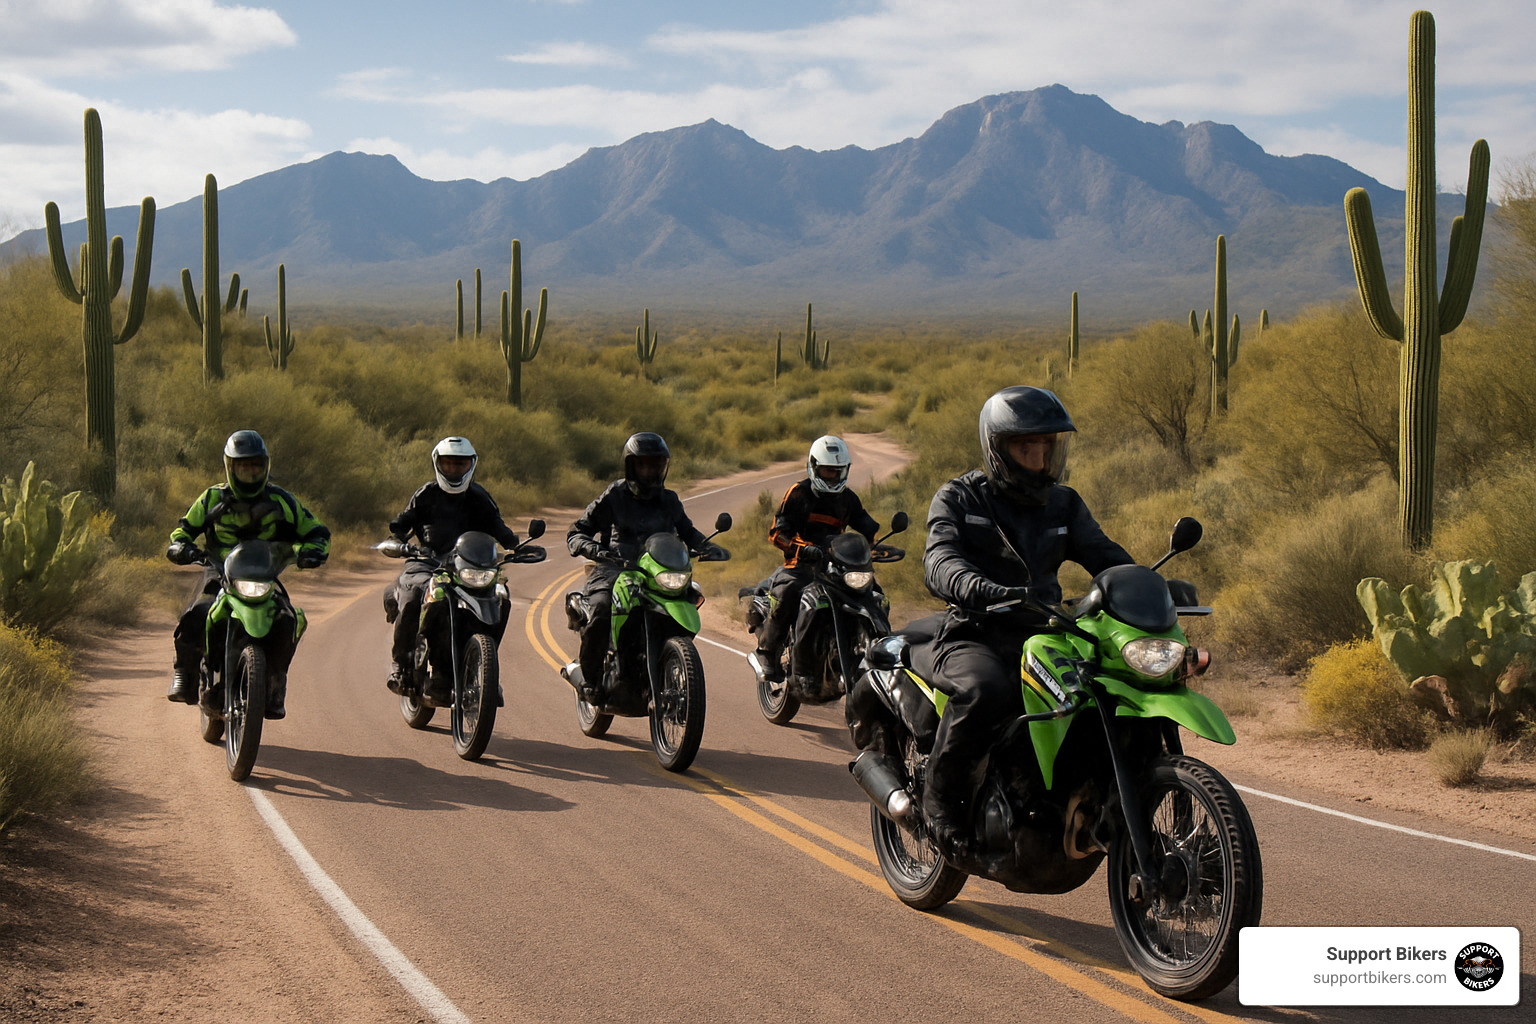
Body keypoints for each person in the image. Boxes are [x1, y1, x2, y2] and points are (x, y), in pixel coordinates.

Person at [918, 386, 1133, 856]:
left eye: (1045, 447)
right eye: (1025, 448)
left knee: (1107, 692)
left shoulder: (1064, 504)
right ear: (998, 449)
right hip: (977, 630)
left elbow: (1105, 555)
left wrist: (1146, 584)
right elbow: (939, 559)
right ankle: (939, 805)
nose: (1038, 459)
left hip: (1047, 631)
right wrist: (975, 586)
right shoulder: (959, 498)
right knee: (987, 692)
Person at [164, 429, 330, 719]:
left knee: (287, 619)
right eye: (244, 467)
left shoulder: (282, 500)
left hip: (264, 574)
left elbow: (316, 531)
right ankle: (185, 675)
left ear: (266, 466)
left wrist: (312, 551)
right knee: (197, 612)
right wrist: (182, 547)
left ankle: (275, 684)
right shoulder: (212, 497)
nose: (250, 473)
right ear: (231, 467)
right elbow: (183, 530)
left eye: (255, 466)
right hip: (219, 570)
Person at [565, 432, 722, 695]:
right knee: (601, 609)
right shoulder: (615, 494)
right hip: (615, 568)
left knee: (688, 598)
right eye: (644, 464)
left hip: (656, 571)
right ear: (631, 466)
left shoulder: (669, 500)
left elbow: (687, 531)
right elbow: (578, 531)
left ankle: (668, 662)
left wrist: (708, 546)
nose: (650, 470)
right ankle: (590, 681)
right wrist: (594, 549)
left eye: (655, 464)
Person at [384, 437, 521, 701]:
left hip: (468, 566)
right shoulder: (425, 494)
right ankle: (401, 666)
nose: (454, 470)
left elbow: (500, 529)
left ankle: (484, 667)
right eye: (448, 464)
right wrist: (397, 541)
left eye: (460, 465)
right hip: (427, 562)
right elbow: (400, 525)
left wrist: (518, 547)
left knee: (501, 598)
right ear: (438, 464)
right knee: (412, 597)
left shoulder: (480, 497)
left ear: (471, 465)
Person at [748, 435, 880, 688]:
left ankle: (880, 653)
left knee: (874, 595)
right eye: (828, 471)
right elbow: (777, 532)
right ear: (814, 467)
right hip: (801, 565)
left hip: (836, 566)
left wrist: (877, 547)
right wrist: (802, 548)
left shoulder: (848, 499)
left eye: (838, 471)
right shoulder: (799, 493)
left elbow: (867, 528)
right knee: (788, 593)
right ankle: (767, 653)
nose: (833, 477)